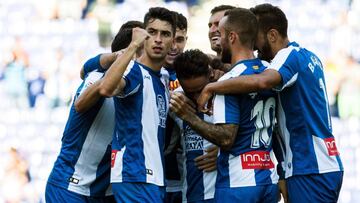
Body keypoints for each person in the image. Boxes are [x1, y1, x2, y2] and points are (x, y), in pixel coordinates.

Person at [197, 4, 343, 203]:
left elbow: (261, 81)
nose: (254, 47)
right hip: (322, 163)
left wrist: (211, 88)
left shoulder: (288, 56)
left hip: (309, 166)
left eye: (255, 38)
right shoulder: (309, 56)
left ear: (272, 35)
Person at [171, 8, 279, 203]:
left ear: (232, 37)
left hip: (237, 184)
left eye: (219, 34)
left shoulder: (226, 83)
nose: (216, 39)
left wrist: (189, 116)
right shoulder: (269, 73)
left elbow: (227, 138)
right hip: (268, 178)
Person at [45, 20, 142, 203]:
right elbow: (80, 104)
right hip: (71, 186)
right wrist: (114, 66)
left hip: (107, 191)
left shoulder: (146, 85)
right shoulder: (97, 76)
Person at [96, 7, 176, 203]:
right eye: (152, 33)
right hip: (135, 174)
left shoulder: (162, 77)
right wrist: (132, 46)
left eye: (165, 34)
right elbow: (106, 89)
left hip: (153, 178)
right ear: (143, 37)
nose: (158, 39)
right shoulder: (134, 71)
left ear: (172, 41)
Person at [171, 49, 218, 203]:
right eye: (191, 92)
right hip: (192, 193)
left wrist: (225, 153)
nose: (198, 97)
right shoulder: (176, 100)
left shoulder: (226, 92)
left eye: (201, 90)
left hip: (226, 190)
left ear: (210, 74)